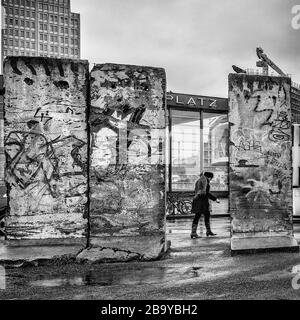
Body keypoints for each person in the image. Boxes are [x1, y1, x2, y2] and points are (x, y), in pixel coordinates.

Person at [190, 172, 220, 239]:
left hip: (199, 201)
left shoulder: (200, 180)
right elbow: (206, 193)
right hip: (202, 202)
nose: (210, 180)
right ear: (209, 177)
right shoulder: (204, 181)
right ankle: (194, 233)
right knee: (199, 216)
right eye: (211, 178)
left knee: (204, 215)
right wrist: (215, 199)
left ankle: (206, 231)